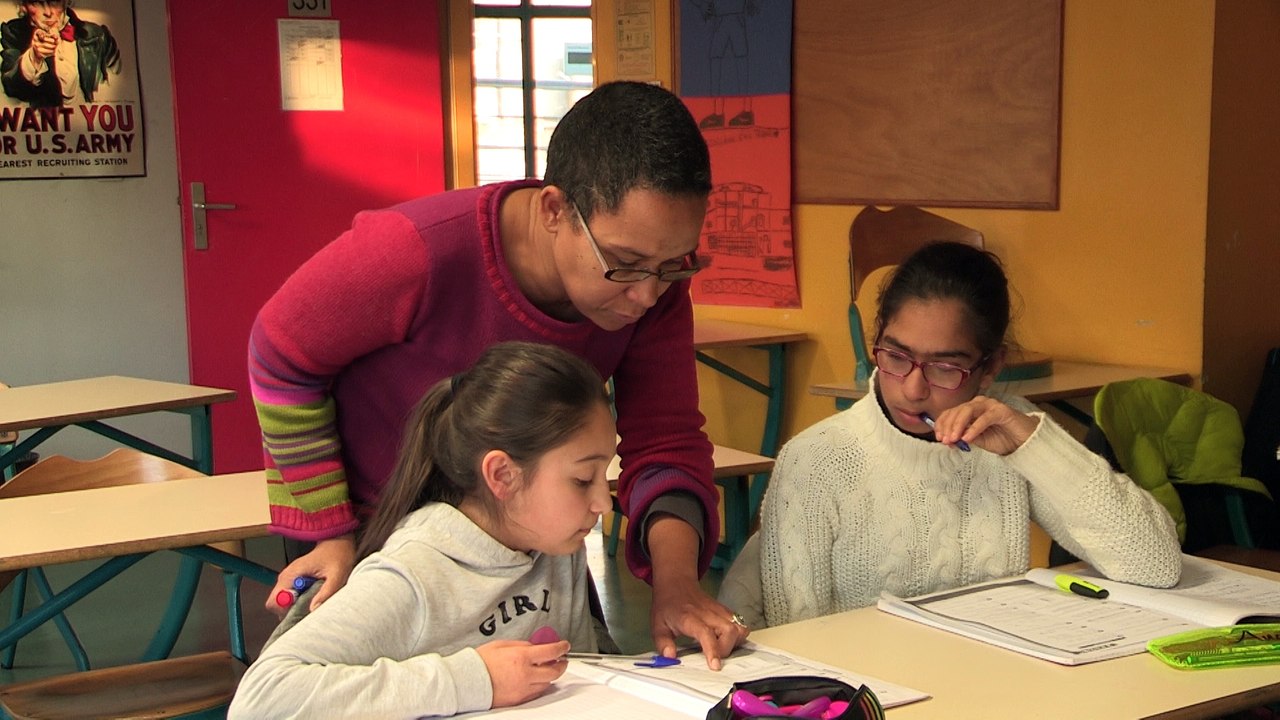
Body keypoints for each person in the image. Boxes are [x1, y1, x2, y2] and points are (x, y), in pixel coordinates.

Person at [249, 80, 749, 666]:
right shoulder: (414, 252)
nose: (647, 294)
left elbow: (665, 439)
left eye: (674, 264)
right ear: (555, 210)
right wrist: (328, 532)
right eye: (624, 264)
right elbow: (279, 359)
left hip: (523, 553)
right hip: (377, 544)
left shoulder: (655, 286)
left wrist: (675, 584)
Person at [718, 241, 1183, 628]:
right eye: (896, 357)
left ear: (990, 368)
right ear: (876, 339)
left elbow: (1155, 565)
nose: (913, 388)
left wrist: (1035, 447)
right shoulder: (817, 461)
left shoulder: (1009, 438)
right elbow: (803, 650)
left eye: (945, 368)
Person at [230, 342, 615, 718]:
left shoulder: (555, 547)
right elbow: (262, 697)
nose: (604, 502)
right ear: (502, 476)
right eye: (583, 479)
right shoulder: (413, 575)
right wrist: (473, 680)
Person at [1, 0, 120, 107]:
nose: (47, 12)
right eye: (36, 2)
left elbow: (117, 81)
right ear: (24, 6)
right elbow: (11, 85)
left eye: (54, 1)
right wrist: (34, 57)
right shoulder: (13, 32)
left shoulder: (98, 35)